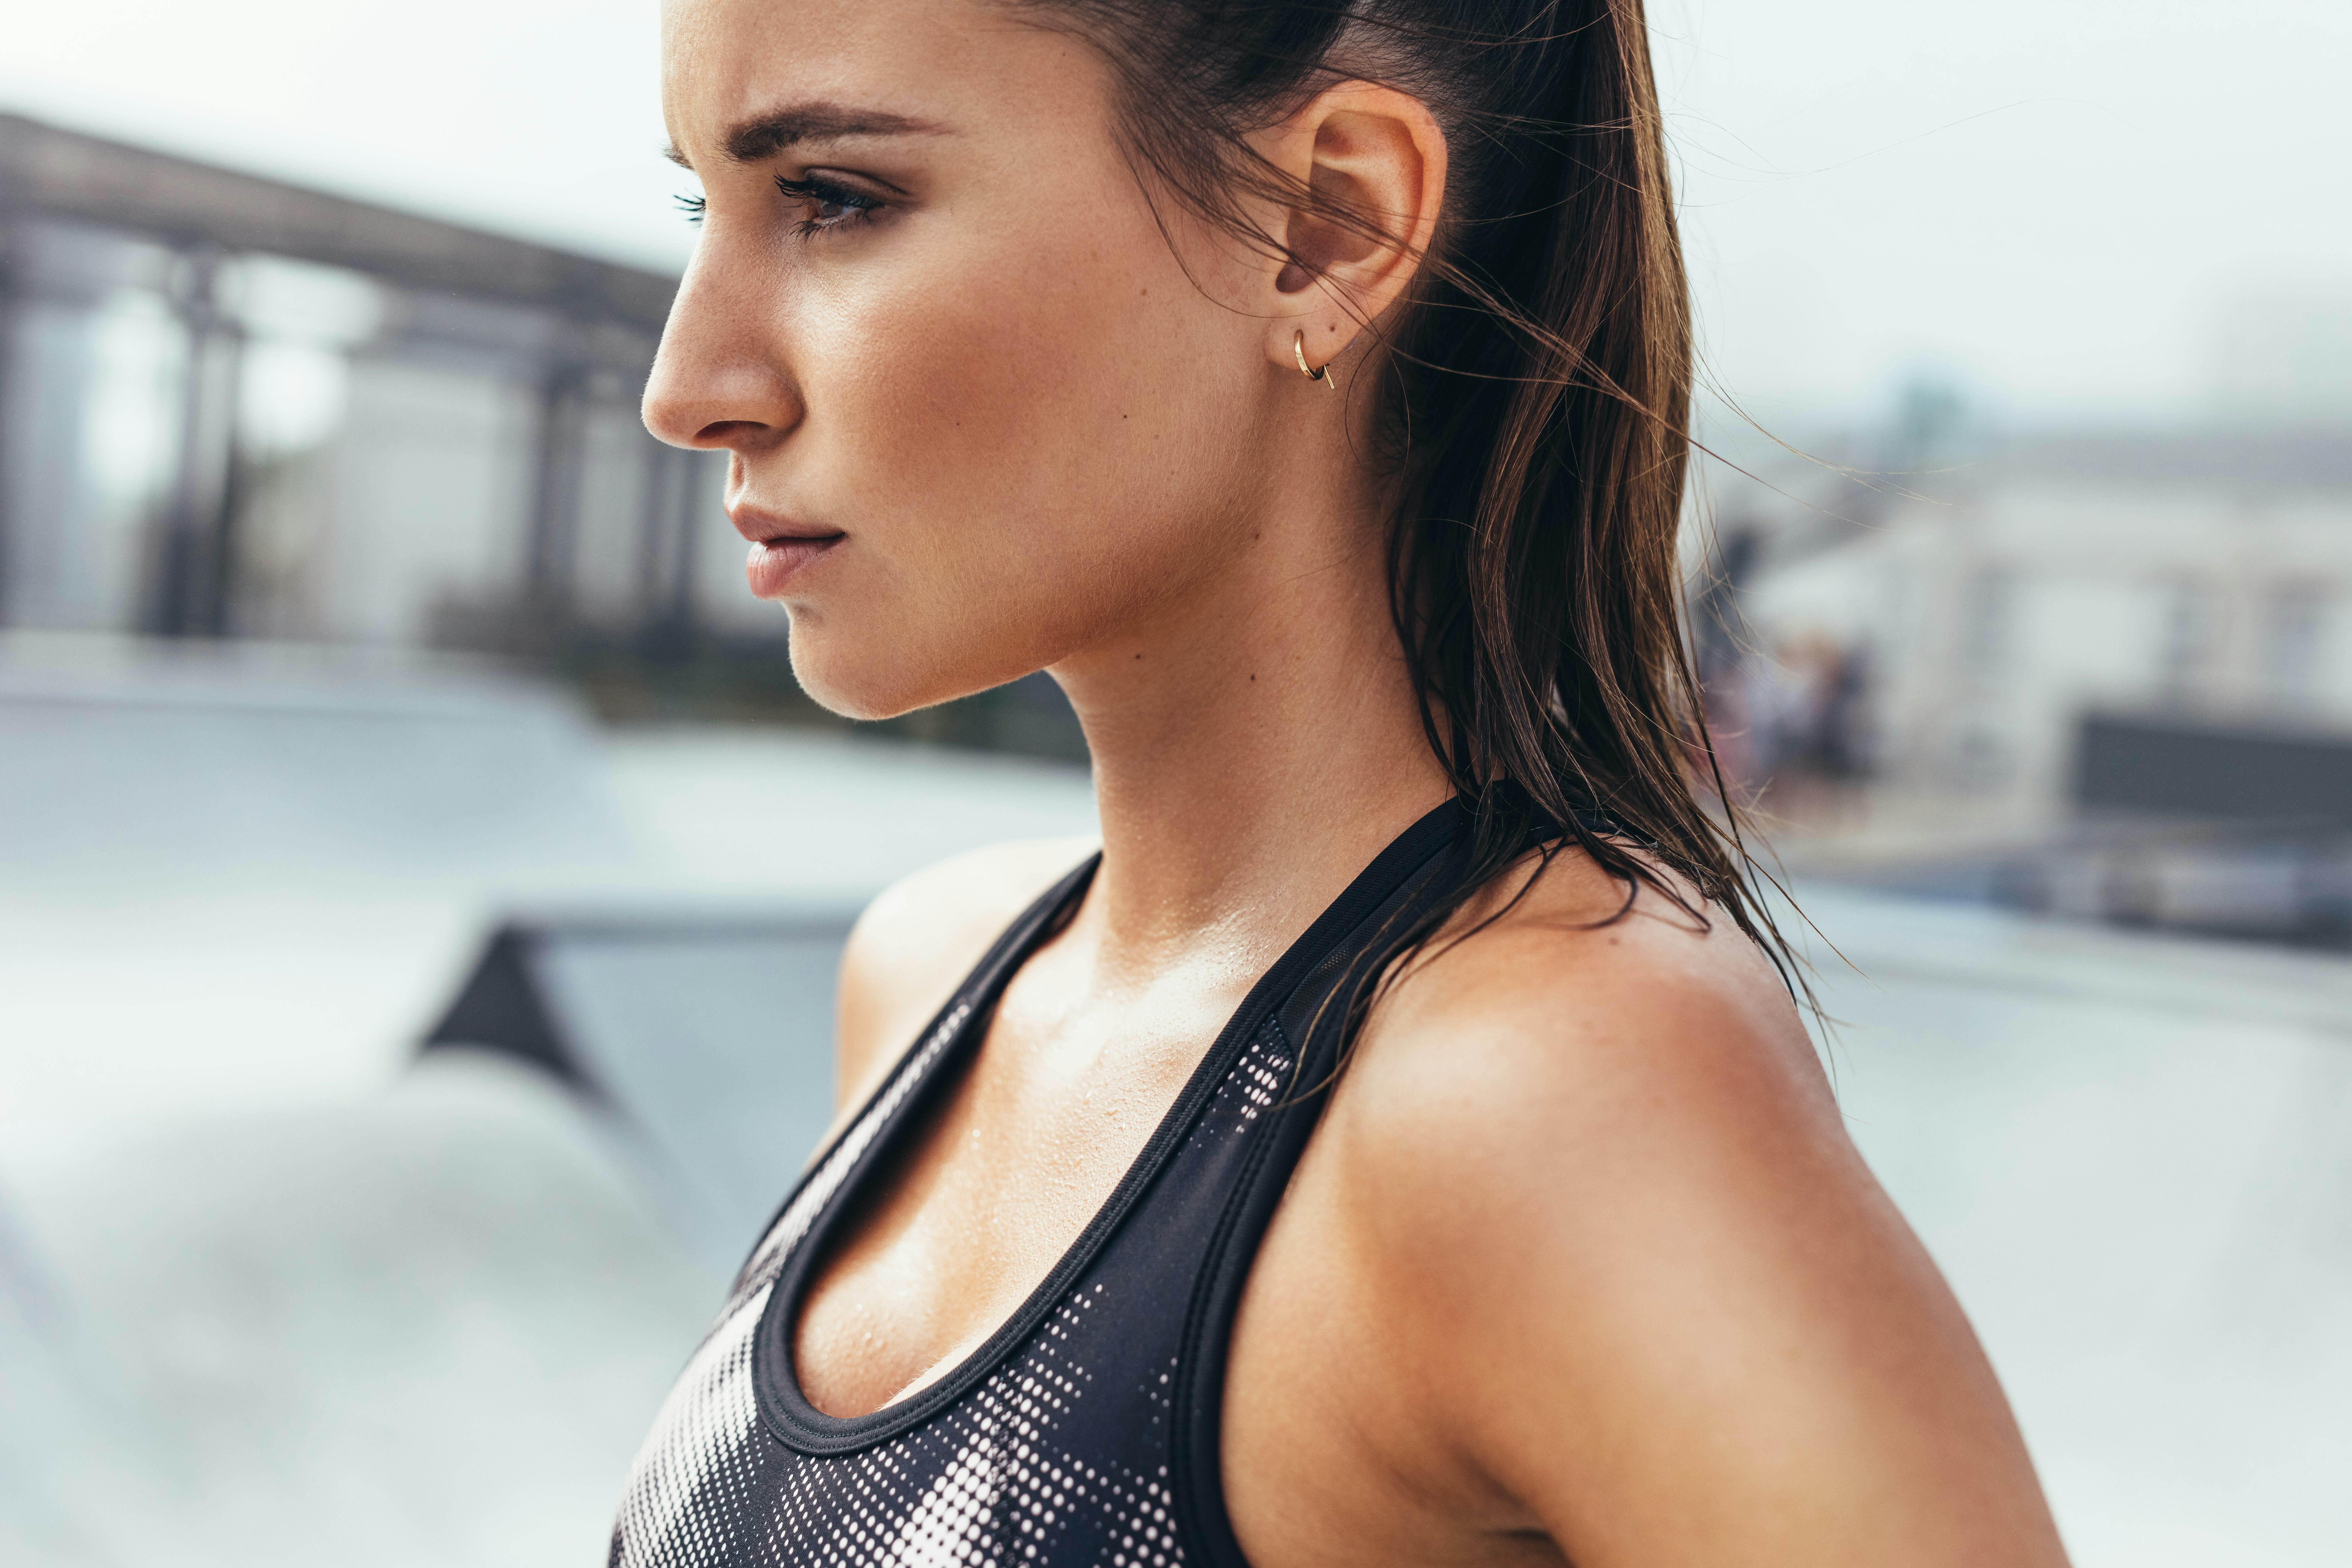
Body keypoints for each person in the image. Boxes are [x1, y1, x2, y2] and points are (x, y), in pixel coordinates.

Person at [618, 0, 2071, 1563]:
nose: (687, 381)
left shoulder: (1546, 1092)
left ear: (1326, 227)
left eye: (835, 200)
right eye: (708, 204)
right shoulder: (927, 977)